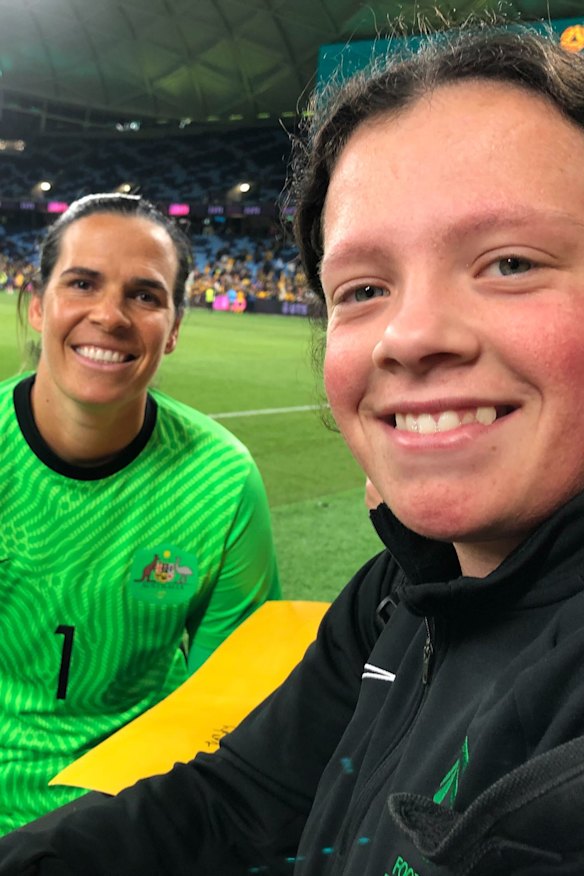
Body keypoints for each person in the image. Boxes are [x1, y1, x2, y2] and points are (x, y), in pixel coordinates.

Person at [4, 24, 584, 875]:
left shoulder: (222, 480)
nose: (410, 335)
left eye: (508, 262)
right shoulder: (400, 594)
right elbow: (234, 803)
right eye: (364, 287)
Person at [0, 192, 280, 836]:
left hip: (130, 813)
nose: (110, 315)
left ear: (175, 327)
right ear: (39, 304)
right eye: (82, 283)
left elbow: (227, 702)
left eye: (145, 296)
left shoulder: (221, 480)